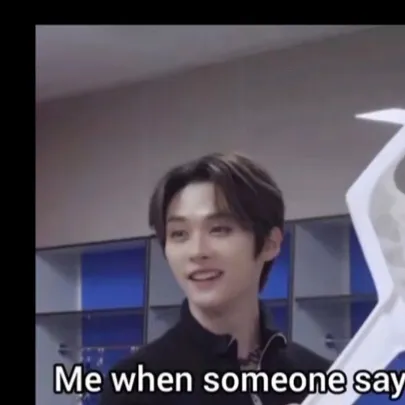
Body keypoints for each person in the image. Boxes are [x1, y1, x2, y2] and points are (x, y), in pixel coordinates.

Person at [99, 152, 331, 405]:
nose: (197, 251)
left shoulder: (320, 378)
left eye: (219, 229)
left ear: (269, 243)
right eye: (179, 234)